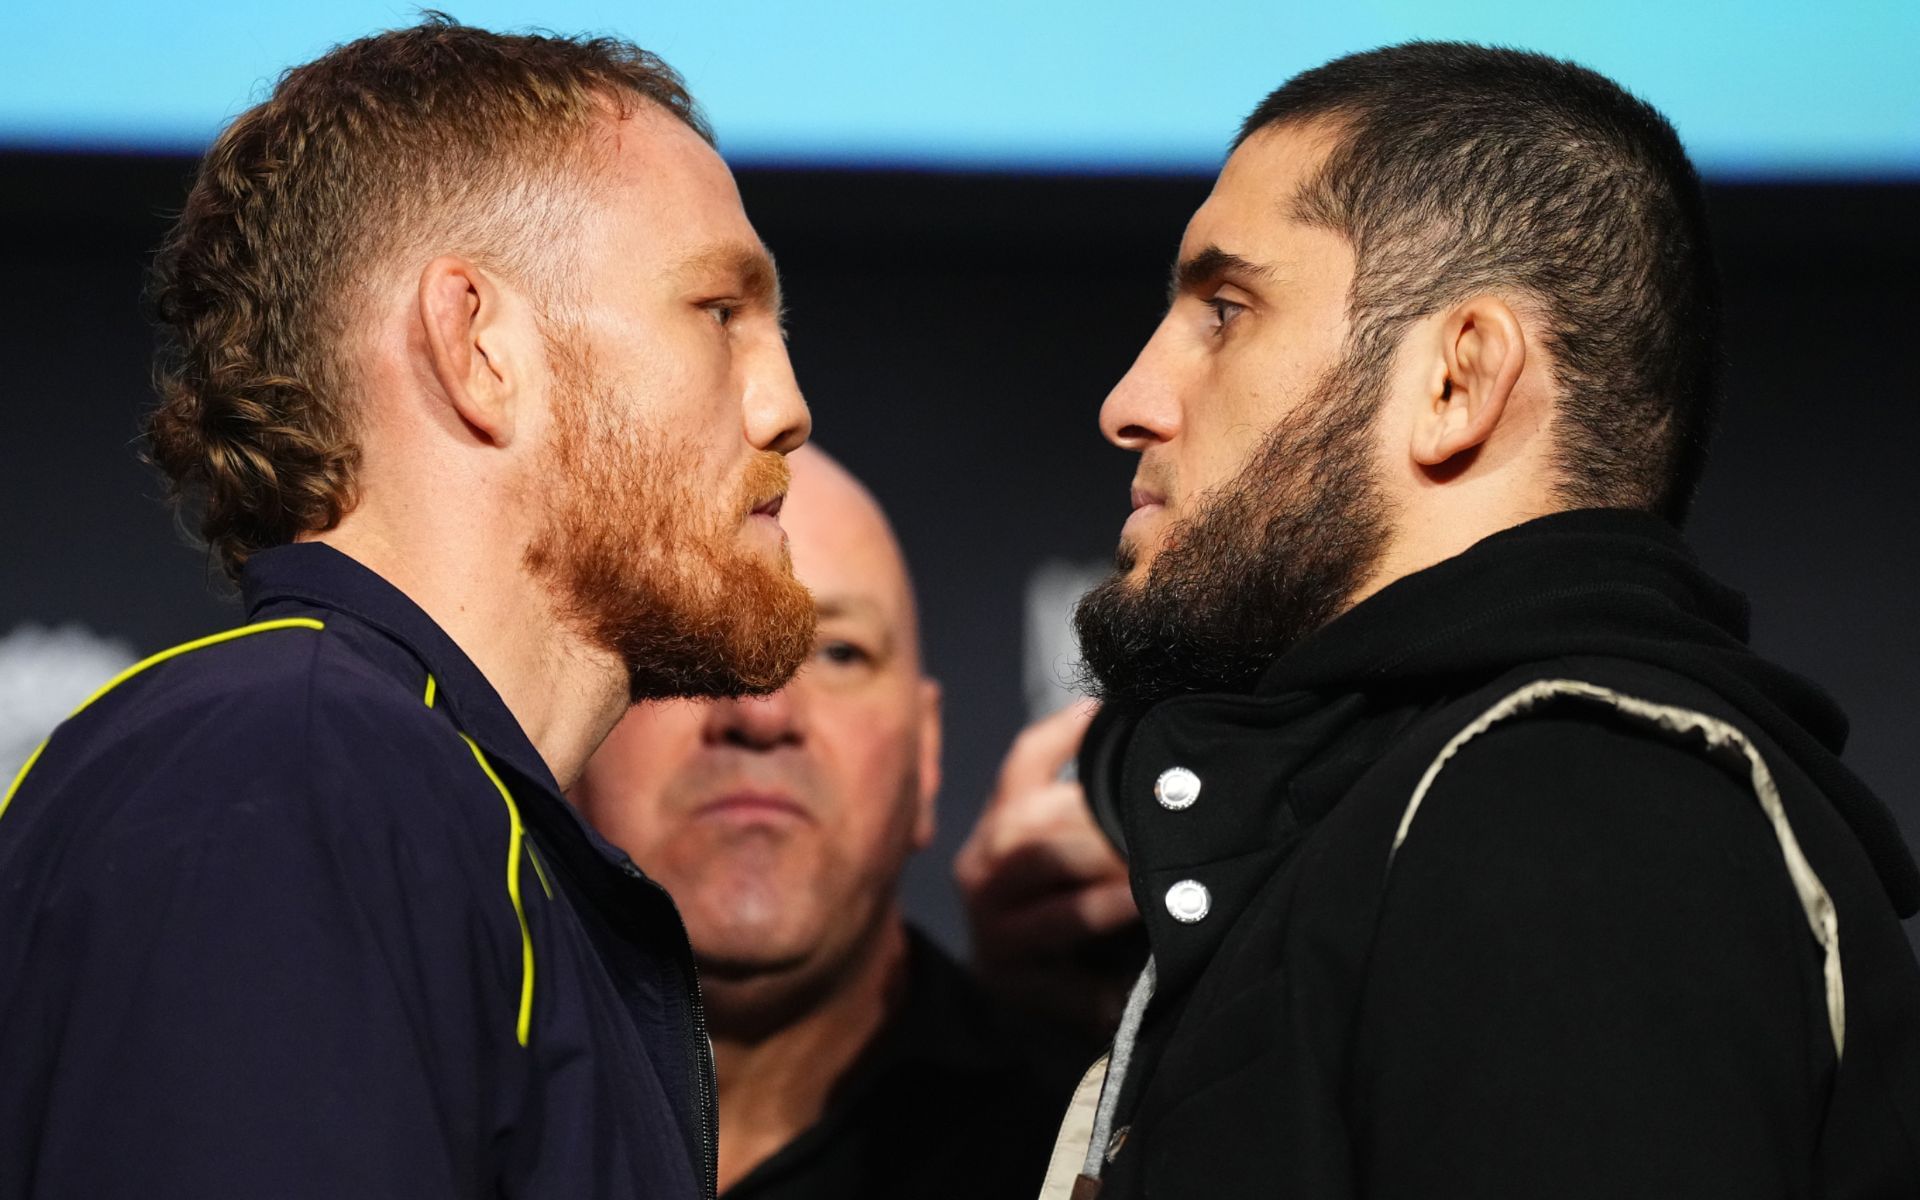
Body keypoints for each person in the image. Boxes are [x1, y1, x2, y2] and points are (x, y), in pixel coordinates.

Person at [1027, 42, 1920, 1199]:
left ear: (1458, 382)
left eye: (1225, 309)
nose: (1129, 401)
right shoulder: (1443, 811)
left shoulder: (1575, 819)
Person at [0, 18, 813, 1199]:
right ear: (478, 345)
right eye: (720, 311)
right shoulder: (294, 770)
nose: (784, 403)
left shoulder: (405, 793)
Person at [573, 445, 1082, 1200]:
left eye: (839, 652)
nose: (762, 710)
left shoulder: (1091, 1147)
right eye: (690, 643)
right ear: (574, 717)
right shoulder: (421, 1090)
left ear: (929, 753)